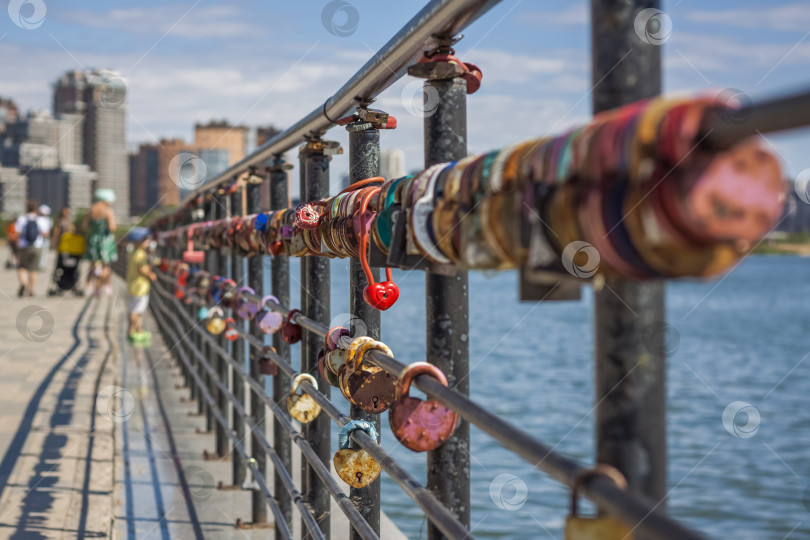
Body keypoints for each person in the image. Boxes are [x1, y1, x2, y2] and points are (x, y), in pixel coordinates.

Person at [83, 189, 117, 296]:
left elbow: (84, 226)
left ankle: (88, 287)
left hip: (94, 239)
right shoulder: (108, 210)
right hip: (105, 240)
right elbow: (112, 227)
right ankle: (105, 286)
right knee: (106, 265)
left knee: (92, 265)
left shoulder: (91, 210)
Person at [125, 228, 156, 343]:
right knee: (137, 311)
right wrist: (151, 275)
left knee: (135, 310)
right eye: (145, 240)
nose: (147, 243)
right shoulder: (140, 254)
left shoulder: (132, 252)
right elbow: (141, 269)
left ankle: (138, 331)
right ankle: (132, 332)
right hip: (140, 287)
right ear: (139, 241)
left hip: (131, 286)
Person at [14, 200, 51, 297]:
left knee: (22, 267)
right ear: (36, 209)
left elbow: (17, 234)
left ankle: (23, 283)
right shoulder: (42, 220)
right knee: (33, 269)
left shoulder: (21, 219)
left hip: (23, 246)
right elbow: (46, 234)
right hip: (37, 246)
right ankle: (31, 289)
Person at [38, 204, 52, 271]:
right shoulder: (39, 219)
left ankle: (42, 265)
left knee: (43, 253)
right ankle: (40, 265)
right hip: (41, 239)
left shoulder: (48, 220)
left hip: (45, 239)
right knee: (41, 253)